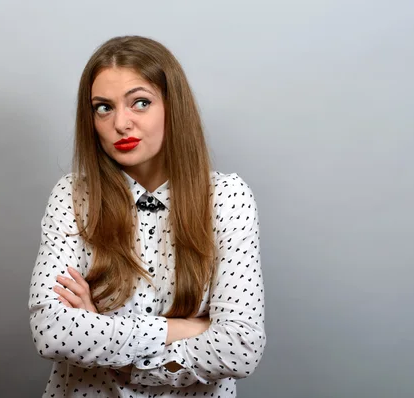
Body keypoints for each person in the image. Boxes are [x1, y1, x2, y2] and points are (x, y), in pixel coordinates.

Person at [28, 35, 265, 397]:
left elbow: (240, 347)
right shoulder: (74, 196)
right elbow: (53, 332)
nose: (121, 123)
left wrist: (109, 344)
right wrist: (186, 329)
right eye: (103, 108)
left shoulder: (227, 197)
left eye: (140, 103)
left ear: (173, 107)